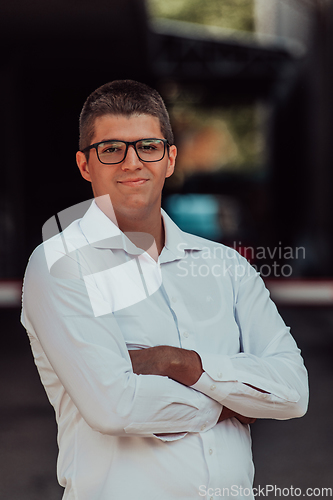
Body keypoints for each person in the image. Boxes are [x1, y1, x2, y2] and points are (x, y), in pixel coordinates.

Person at [21, 80, 308, 500]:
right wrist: (232, 401)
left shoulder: (226, 266)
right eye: (112, 149)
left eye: (148, 147)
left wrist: (177, 363)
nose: (132, 162)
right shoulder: (61, 264)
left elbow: (293, 392)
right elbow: (114, 406)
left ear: (170, 159)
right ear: (85, 165)